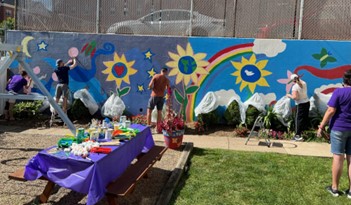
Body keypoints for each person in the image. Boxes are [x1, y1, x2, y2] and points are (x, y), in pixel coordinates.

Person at [317, 70, 351, 198]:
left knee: (338, 157)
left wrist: (321, 126)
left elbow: (331, 110)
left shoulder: (339, 92)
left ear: (345, 80)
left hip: (339, 129)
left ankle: (335, 188)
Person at [286, 74, 310, 141]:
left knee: (298, 120)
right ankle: (302, 134)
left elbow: (295, 97)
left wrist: (289, 95)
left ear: (293, 80)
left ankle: (297, 135)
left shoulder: (295, 87)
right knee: (303, 119)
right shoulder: (304, 83)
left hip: (300, 104)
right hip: (306, 102)